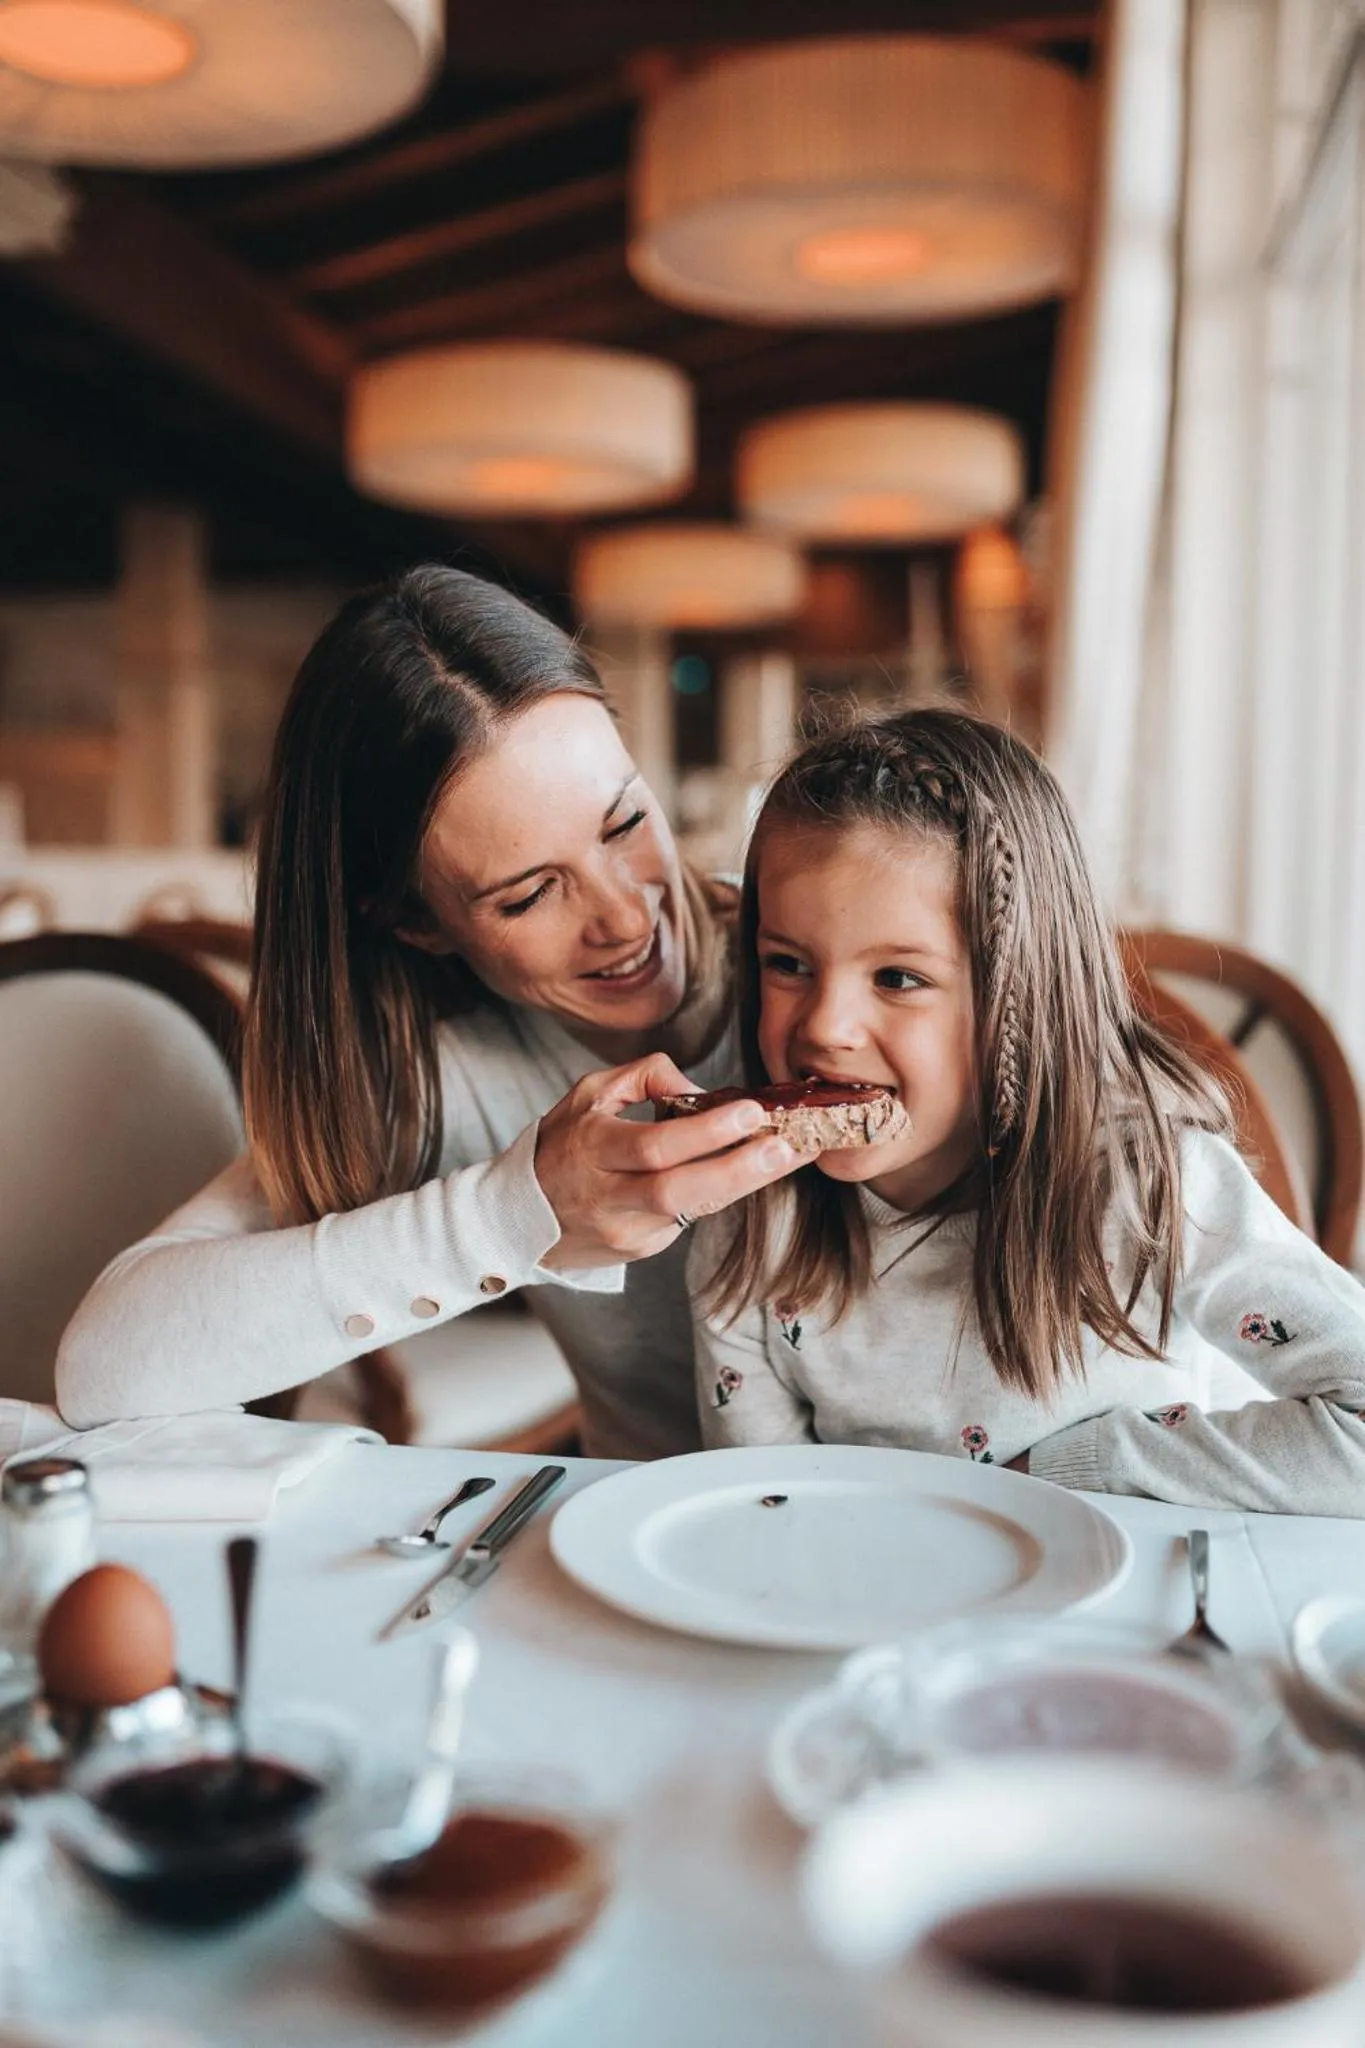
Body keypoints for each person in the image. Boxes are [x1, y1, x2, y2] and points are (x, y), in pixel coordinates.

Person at [55, 565, 803, 1458]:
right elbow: (105, 1367)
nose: (624, 915)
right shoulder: (438, 1071)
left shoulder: (839, 979)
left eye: (623, 823)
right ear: (416, 923)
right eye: (528, 897)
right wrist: (511, 1216)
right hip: (624, 1537)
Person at [692, 706, 1365, 1516]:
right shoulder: (744, 1227)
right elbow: (765, 1514)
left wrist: (1090, 1463)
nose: (823, 1028)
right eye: (788, 963)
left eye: (897, 978)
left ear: (1018, 998)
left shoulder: (1150, 1190)